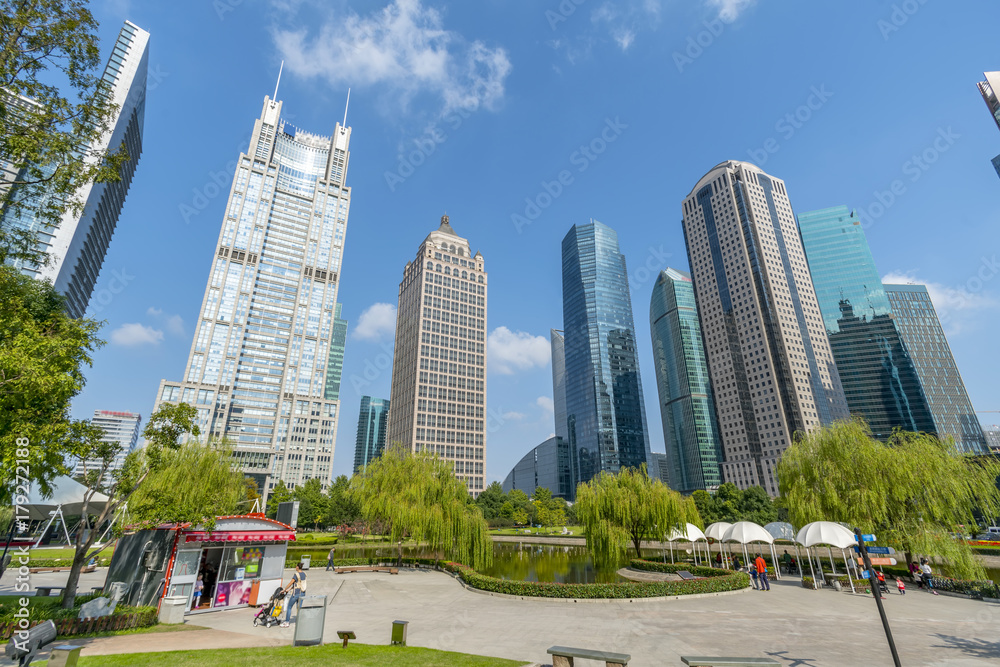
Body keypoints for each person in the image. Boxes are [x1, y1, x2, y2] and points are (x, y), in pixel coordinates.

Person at [280, 563, 308, 627]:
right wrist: (289, 590)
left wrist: (284, 589)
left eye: (296, 566)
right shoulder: (304, 574)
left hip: (296, 594)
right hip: (302, 593)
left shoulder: (296, 575)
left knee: (289, 607)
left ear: (298, 567)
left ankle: (287, 622)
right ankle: (298, 621)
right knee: (299, 608)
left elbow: (291, 583)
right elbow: (297, 584)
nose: (295, 567)